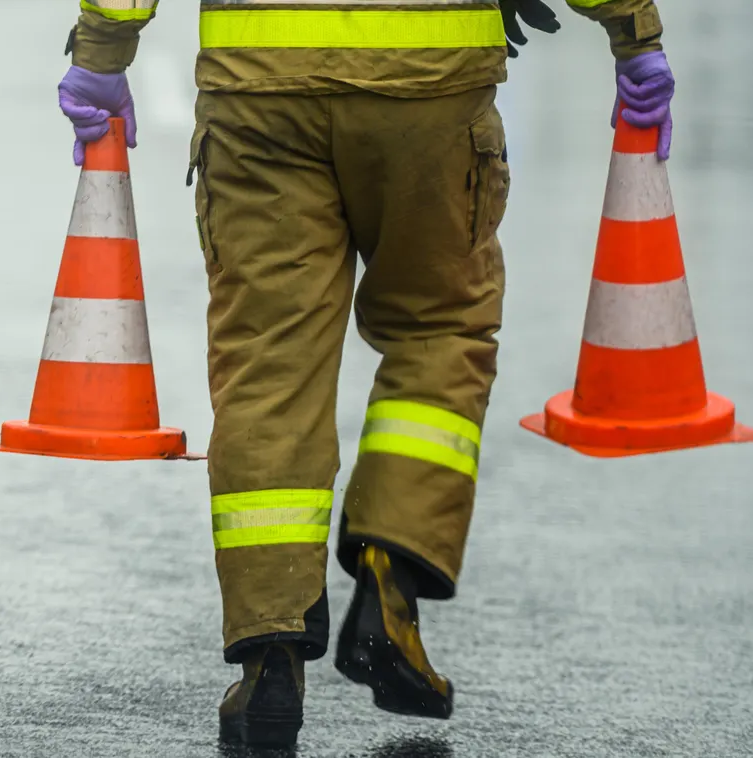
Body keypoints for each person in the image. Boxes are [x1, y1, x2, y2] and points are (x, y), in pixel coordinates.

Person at [56, 0, 677, 748]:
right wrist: (631, 33)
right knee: (439, 329)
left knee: (267, 361)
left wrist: (102, 48)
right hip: (430, 88)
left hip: (259, 91)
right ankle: (392, 560)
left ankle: (269, 655)